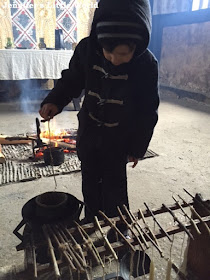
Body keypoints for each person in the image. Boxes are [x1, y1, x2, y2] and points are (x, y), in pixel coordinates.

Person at [39, 0, 159, 225]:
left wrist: (137, 146)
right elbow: (71, 81)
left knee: (115, 183)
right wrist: (55, 101)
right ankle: (93, 219)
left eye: (123, 54)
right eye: (108, 53)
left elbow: (147, 111)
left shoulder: (146, 64)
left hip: (119, 137)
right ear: (99, 42)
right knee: (90, 180)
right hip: (89, 132)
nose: (114, 60)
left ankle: (120, 225)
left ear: (138, 44)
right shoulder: (87, 50)